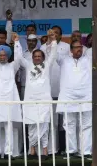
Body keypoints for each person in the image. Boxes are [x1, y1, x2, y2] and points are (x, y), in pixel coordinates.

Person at [18, 30, 57, 160]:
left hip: (44, 100)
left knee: (44, 126)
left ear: (43, 58)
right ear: (32, 58)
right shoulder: (28, 65)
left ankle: (45, 151)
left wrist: (54, 41)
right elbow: (18, 58)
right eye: (35, 56)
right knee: (32, 126)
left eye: (40, 56)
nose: (37, 58)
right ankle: (32, 151)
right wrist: (17, 42)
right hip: (30, 101)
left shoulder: (46, 66)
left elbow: (53, 55)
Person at [56, 39, 92, 159]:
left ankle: (85, 151)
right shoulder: (64, 60)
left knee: (86, 125)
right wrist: (52, 41)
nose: (79, 49)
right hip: (69, 97)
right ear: (71, 50)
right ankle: (71, 150)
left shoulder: (88, 60)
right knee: (70, 124)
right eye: (76, 47)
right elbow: (53, 54)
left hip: (86, 97)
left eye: (81, 47)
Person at [40, 25, 70, 155]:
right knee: (50, 121)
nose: (54, 35)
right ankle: (52, 149)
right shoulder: (42, 47)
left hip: (62, 88)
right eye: (52, 33)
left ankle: (64, 148)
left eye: (56, 33)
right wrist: (49, 44)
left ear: (60, 35)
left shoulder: (67, 47)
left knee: (64, 122)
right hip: (48, 88)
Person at [19, 34, 38, 100]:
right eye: (29, 41)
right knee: (24, 104)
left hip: (37, 84)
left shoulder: (40, 53)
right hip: (24, 84)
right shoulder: (23, 53)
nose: (31, 42)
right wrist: (19, 81)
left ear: (36, 42)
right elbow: (20, 69)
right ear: (27, 41)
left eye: (33, 41)